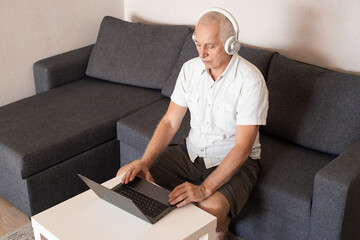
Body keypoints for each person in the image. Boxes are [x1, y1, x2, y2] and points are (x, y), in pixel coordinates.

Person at [117, 8, 268, 239]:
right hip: (191, 153)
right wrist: (145, 161)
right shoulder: (190, 70)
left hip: (237, 161)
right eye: (198, 44)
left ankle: (221, 229)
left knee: (210, 208)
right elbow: (169, 122)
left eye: (210, 45)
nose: (202, 53)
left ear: (230, 45)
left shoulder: (250, 80)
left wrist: (204, 189)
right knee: (127, 178)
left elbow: (243, 147)